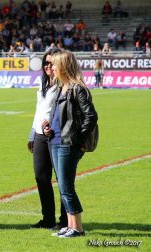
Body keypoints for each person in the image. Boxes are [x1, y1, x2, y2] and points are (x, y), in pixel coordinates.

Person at [44, 50, 98, 238]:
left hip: (68, 144)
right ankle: (70, 225)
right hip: (55, 141)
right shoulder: (61, 87)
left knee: (67, 187)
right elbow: (61, 116)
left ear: (64, 67)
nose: (53, 68)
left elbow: (91, 116)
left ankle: (78, 228)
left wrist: (79, 139)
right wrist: (48, 127)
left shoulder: (78, 88)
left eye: (56, 65)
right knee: (62, 186)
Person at [28, 49, 68, 230]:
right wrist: (32, 134)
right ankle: (48, 219)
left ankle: (66, 220)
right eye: (45, 63)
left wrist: (52, 126)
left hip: (55, 135)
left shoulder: (64, 84)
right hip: (39, 135)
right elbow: (39, 110)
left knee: (62, 179)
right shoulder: (42, 83)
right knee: (41, 177)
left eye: (51, 63)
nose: (47, 67)